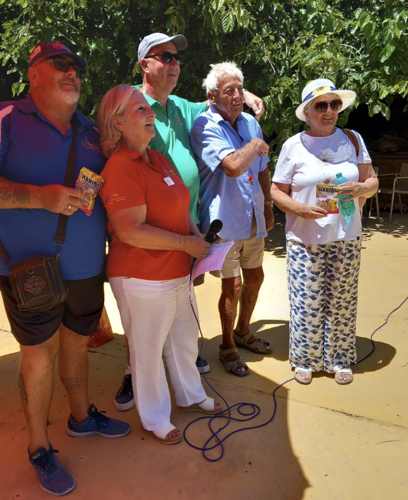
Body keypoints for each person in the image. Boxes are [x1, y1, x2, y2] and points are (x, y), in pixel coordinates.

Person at [0, 41, 130, 496]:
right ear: (33, 73)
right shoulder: (7, 119)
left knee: (77, 342)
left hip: (87, 267)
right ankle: (39, 446)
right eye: (60, 64)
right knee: (39, 356)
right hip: (28, 270)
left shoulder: (92, 130)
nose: (72, 72)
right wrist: (39, 196)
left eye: (76, 67)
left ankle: (81, 416)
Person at [113, 32, 265, 409]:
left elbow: (217, 98)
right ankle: (134, 371)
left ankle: (182, 359)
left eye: (176, 58)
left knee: (181, 296)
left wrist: (243, 94)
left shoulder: (181, 106)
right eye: (164, 56)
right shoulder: (130, 102)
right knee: (143, 305)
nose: (174, 63)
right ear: (145, 64)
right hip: (146, 222)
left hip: (187, 222)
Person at [97, 84, 222, 445]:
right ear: (118, 122)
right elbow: (129, 230)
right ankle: (154, 418)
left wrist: (196, 234)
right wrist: (185, 244)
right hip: (141, 275)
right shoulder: (120, 167)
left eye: (148, 108)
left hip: (178, 270)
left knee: (184, 340)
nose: (151, 112)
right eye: (140, 109)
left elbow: (181, 204)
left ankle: (191, 396)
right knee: (147, 352)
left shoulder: (158, 158)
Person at [271, 78, 378, 385]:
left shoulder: (353, 139)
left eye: (334, 104)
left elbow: (372, 181)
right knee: (307, 302)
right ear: (307, 112)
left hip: (346, 236)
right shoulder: (293, 145)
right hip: (304, 239)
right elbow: (276, 192)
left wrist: (361, 188)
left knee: (342, 300)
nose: (329, 111)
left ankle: (340, 359)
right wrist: (299, 209)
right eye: (321, 105)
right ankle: (305, 359)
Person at [190, 62, 274, 377]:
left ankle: (243, 331)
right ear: (212, 97)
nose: (237, 96)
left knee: (256, 277)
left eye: (240, 89)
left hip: (253, 215)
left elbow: (262, 168)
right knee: (233, 285)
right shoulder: (204, 125)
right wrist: (253, 145)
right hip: (224, 219)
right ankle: (227, 346)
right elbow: (233, 166)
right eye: (229, 91)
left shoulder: (250, 122)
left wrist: (268, 205)